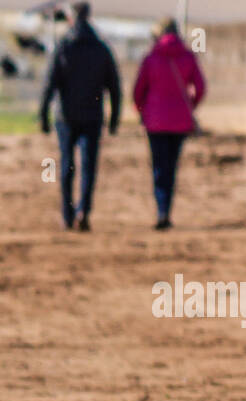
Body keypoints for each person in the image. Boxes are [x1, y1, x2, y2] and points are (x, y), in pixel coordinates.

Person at [38, 2, 121, 231]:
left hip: (66, 117)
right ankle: (83, 211)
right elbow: (114, 87)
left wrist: (43, 115)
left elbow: (49, 84)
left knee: (67, 165)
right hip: (93, 118)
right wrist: (114, 119)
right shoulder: (101, 48)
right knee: (88, 166)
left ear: (72, 18)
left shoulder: (64, 47)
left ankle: (67, 214)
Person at [132, 17, 205, 230]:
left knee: (158, 167)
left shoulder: (151, 58)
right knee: (171, 167)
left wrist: (142, 111)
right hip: (180, 122)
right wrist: (190, 106)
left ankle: (161, 210)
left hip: (155, 122)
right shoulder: (188, 57)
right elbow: (200, 88)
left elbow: (138, 91)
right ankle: (166, 210)